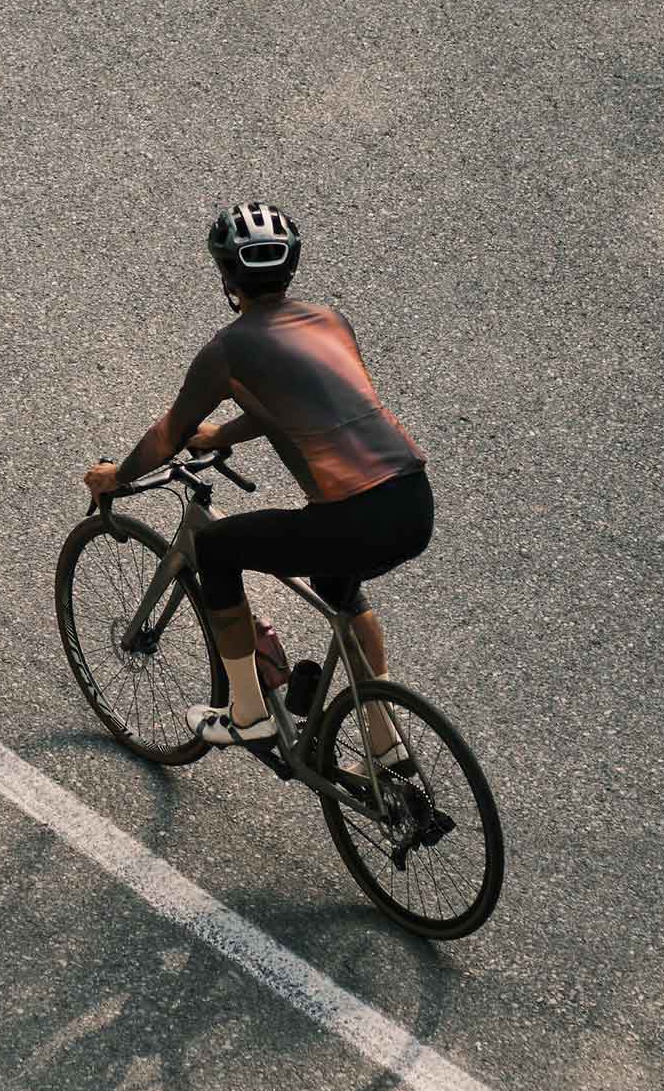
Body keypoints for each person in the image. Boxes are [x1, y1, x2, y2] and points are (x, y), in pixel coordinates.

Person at [83, 203, 432, 760]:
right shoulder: (332, 323)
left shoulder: (227, 350)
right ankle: (386, 746)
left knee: (216, 549)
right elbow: (306, 405)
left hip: (351, 515)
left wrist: (118, 476)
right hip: (413, 502)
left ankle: (248, 714)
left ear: (226, 277)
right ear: (290, 268)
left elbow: (168, 435)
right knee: (338, 585)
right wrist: (224, 433)